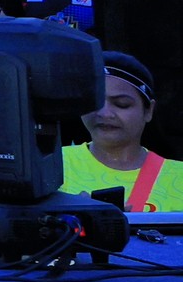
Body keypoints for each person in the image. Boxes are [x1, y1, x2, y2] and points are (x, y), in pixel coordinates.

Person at [62, 54, 171, 211]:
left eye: (122, 104)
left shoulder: (178, 176)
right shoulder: (50, 168)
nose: (104, 113)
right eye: (95, 101)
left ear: (149, 111)